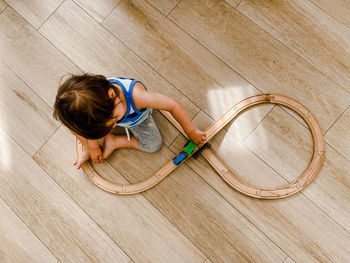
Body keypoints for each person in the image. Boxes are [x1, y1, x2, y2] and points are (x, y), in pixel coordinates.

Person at [53, 73, 206, 169]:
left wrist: (191, 131)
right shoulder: (101, 103)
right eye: (109, 126)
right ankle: (91, 143)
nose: (113, 125)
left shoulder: (138, 98)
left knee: (153, 145)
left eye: (113, 121)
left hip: (137, 119)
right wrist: (91, 146)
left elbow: (173, 105)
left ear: (112, 94)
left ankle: (116, 141)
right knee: (77, 127)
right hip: (109, 115)